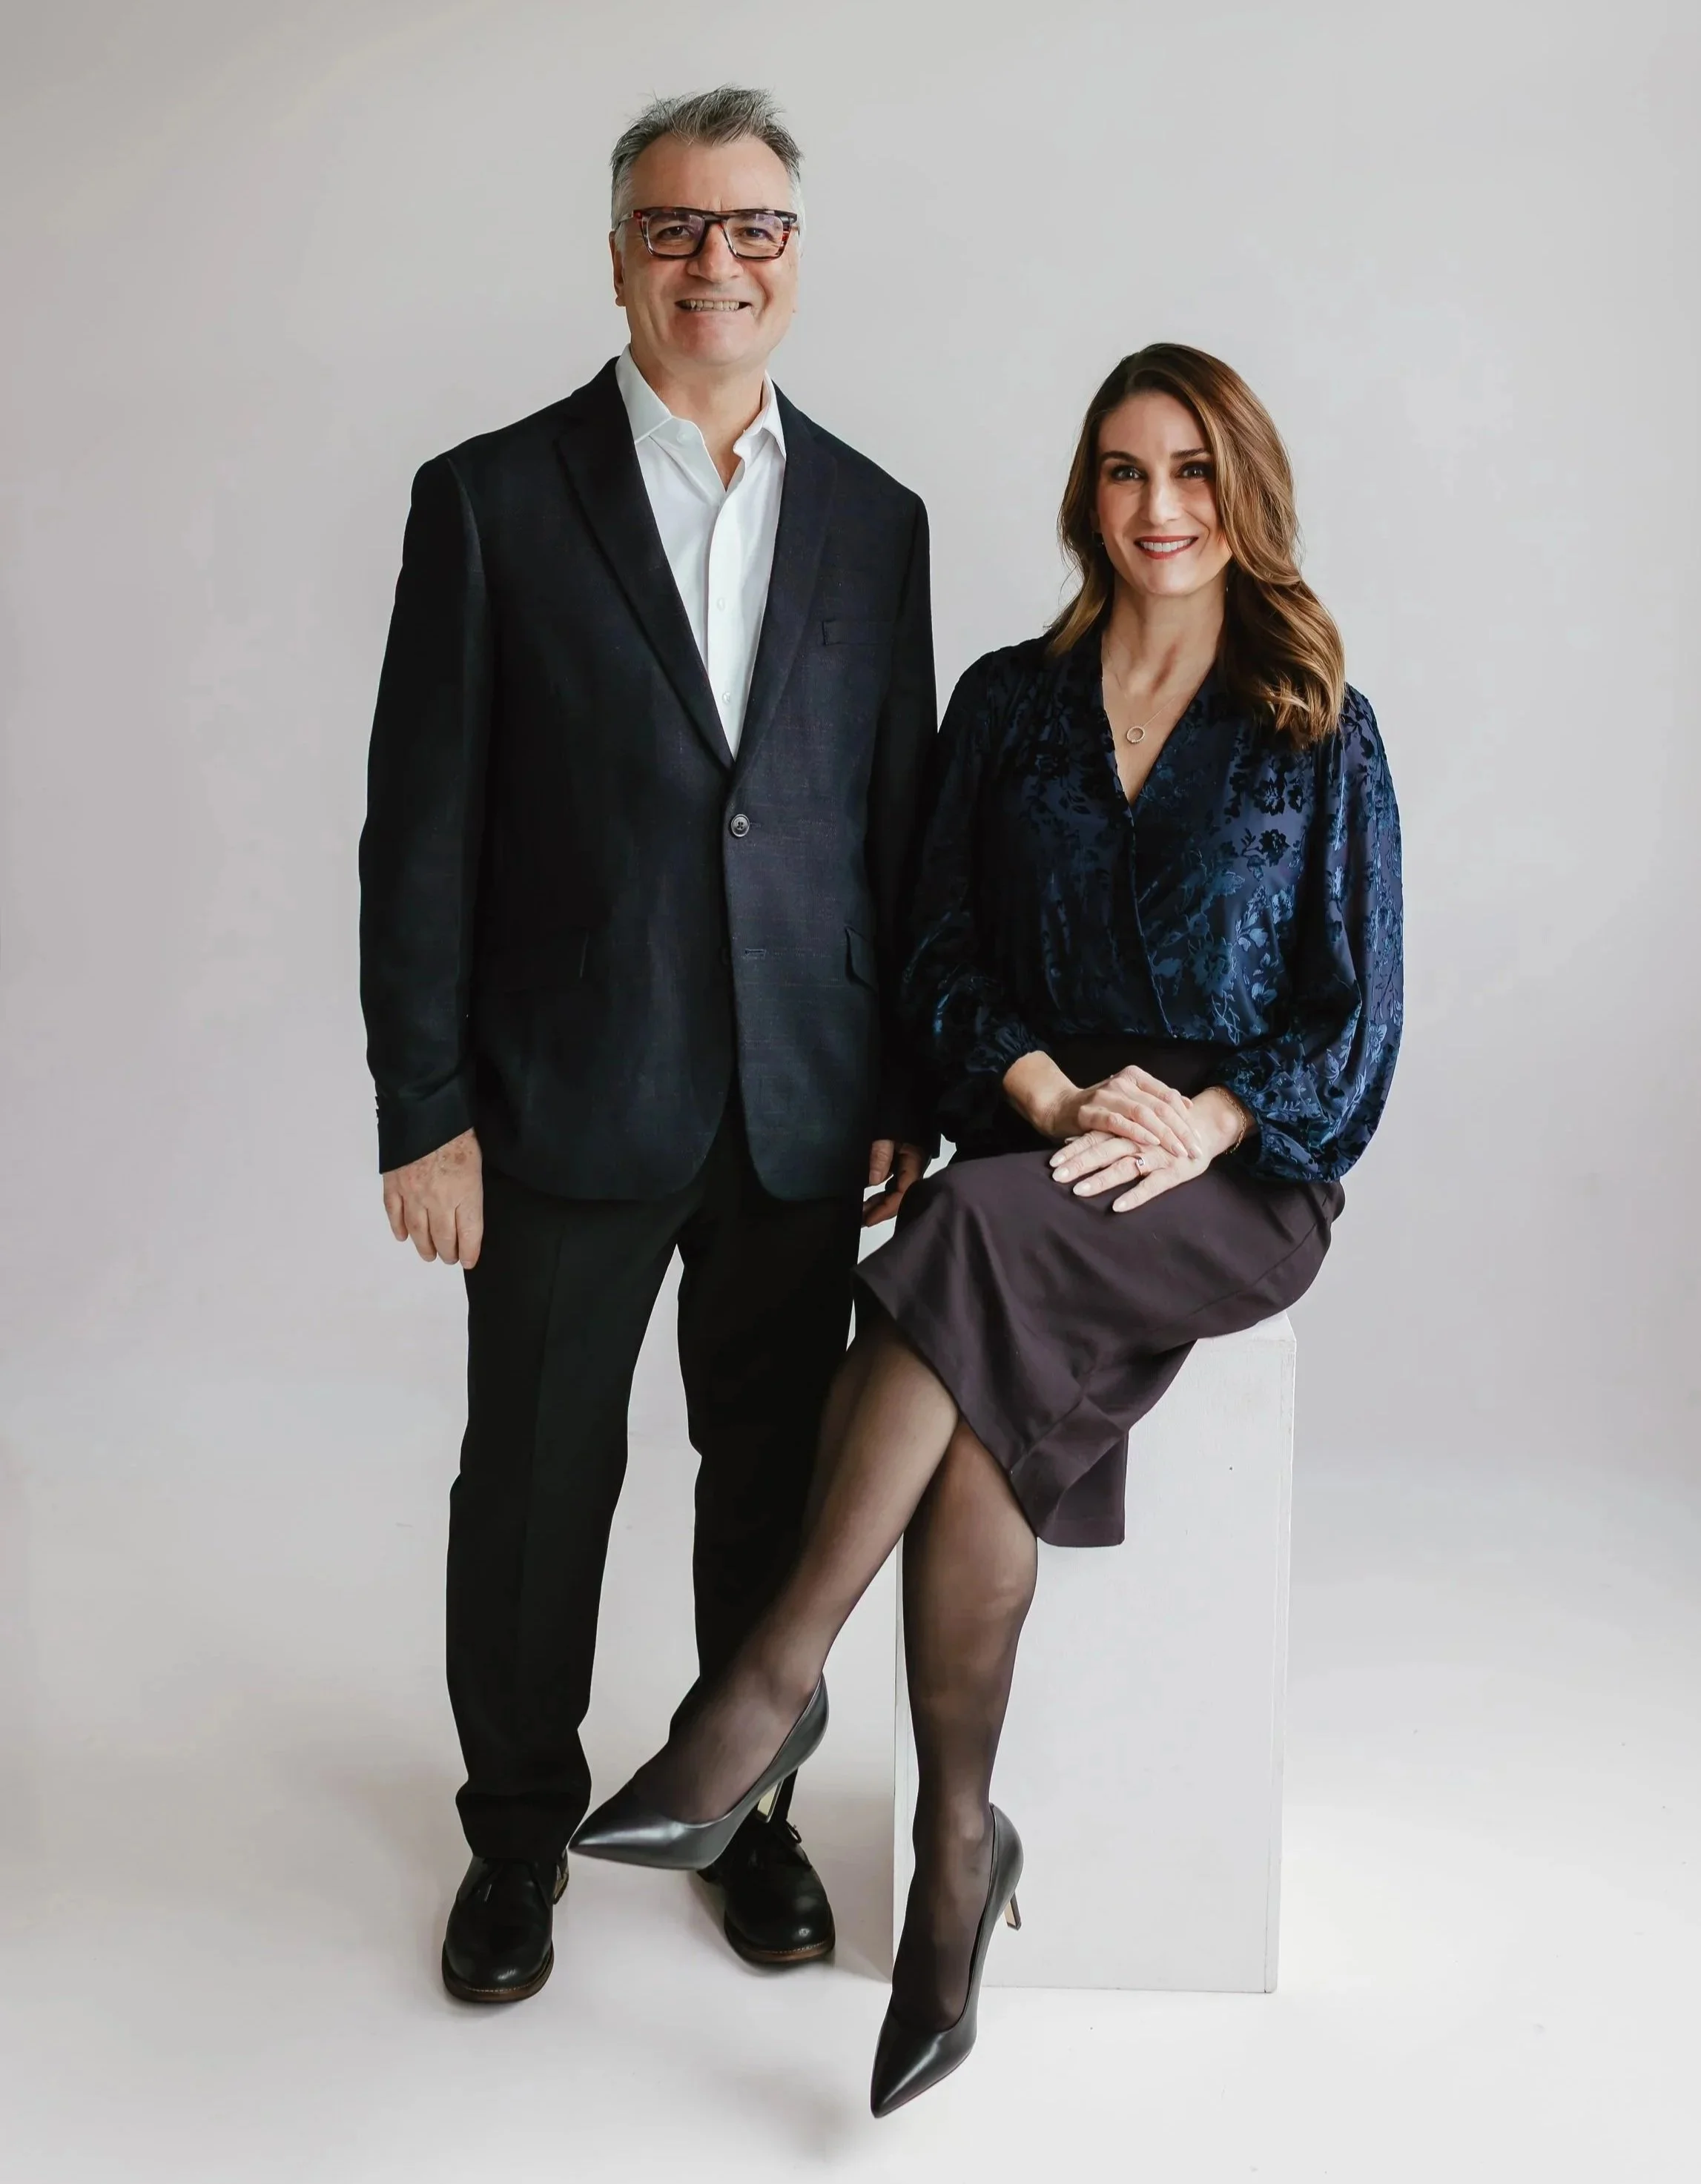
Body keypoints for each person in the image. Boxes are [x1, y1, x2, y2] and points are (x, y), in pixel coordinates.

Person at [574, 341, 1404, 2110]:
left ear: (1244, 492)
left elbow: (1358, 1018)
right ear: (1084, 495)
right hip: (1043, 1142)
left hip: (1235, 1179)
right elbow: (935, 949)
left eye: (1192, 470)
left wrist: (1200, 1121)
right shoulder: (1010, 706)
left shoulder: (1314, 719)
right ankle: (957, 1850)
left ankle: (768, 1684)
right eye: (1123, 470)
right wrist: (1047, 1097)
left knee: (957, 1239)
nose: (1158, 506)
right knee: (972, 1366)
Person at [357, 87, 937, 2005]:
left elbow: (892, 827)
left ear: (795, 256)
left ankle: (741, 1809)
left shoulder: (875, 519)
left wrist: (901, 1087)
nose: (716, 262)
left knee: (770, 1485)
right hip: (560, 1099)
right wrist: (423, 1109)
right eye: (676, 227)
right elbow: (418, 831)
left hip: (800, 1106)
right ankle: (517, 1836)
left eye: (752, 227)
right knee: (536, 1487)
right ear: (618, 257)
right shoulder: (488, 502)